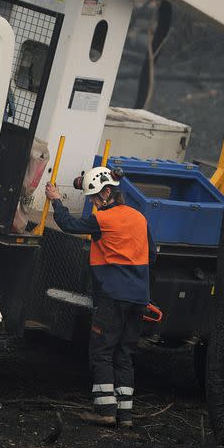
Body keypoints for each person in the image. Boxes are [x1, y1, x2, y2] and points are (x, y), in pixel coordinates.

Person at [44, 167, 155, 428]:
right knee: (125, 353)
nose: (92, 202)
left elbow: (68, 224)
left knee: (102, 350)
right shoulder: (140, 218)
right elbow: (152, 255)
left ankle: (105, 409)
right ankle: (125, 415)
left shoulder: (103, 221)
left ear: (107, 192)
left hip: (113, 296)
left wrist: (56, 199)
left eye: (94, 197)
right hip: (138, 297)